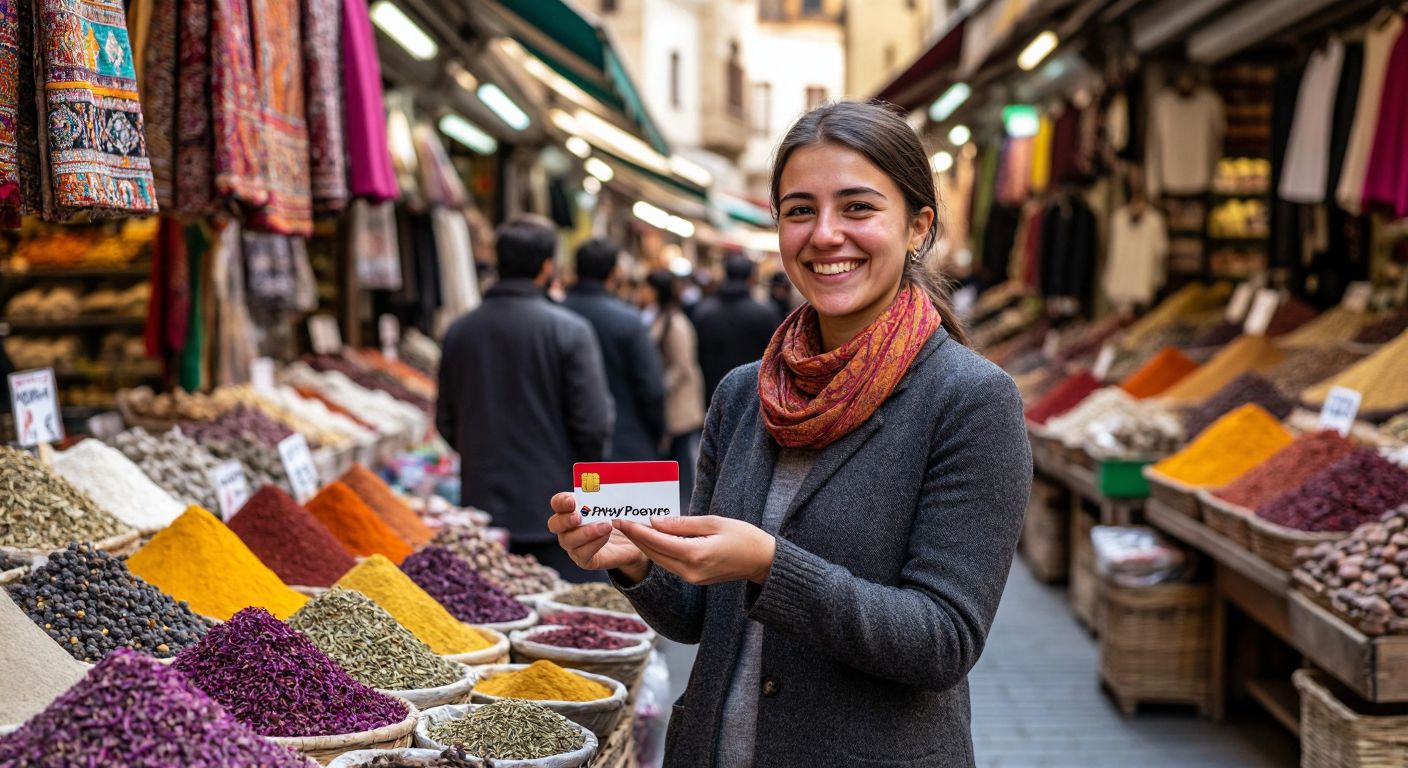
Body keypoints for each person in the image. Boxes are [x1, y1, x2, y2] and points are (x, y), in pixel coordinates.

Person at [547, 101, 1032, 766]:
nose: (825, 235)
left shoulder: (971, 400)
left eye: (858, 208)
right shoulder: (744, 393)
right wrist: (632, 558)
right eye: (800, 210)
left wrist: (769, 564)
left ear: (918, 227)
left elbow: (941, 641)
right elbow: (697, 614)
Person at [437, 215, 612, 583]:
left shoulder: (459, 330)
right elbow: (593, 425)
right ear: (547, 267)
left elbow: (445, 421)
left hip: (479, 507)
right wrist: (586, 486)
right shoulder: (570, 330)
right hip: (554, 511)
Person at [562, 238, 667, 461]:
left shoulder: (556, 317)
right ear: (613, 273)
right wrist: (654, 434)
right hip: (625, 444)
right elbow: (652, 389)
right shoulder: (628, 320)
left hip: (565, 446)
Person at [645, 270, 705, 509]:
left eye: (646, 287)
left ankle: (682, 511)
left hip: (679, 405)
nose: (642, 292)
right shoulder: (661, 317)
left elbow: (682, 366)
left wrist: (658, 387)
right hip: (673, 404)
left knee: (680, 463)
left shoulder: (676, 322)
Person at [692, 254, 783, 406]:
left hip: (712, 394)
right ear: (751, 278)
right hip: (755, 398)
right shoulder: (765, 313)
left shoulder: (703, 311)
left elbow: (697, 356)